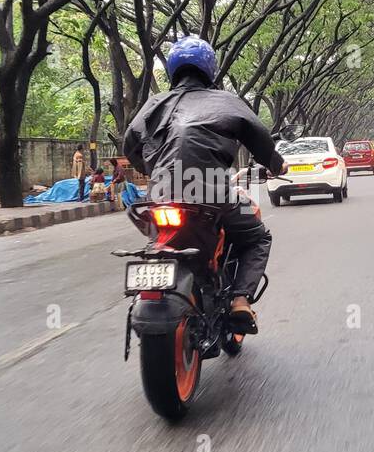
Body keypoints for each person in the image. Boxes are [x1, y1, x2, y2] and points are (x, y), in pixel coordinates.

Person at [122, 35, 286, 334]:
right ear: (210, 69)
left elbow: (130, 145)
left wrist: (154, 170)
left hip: (159, 197)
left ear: (172, 70)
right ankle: (239, 301)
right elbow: (261, 142)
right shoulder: (227, 101)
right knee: (257, 237)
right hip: (212, 194)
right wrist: (277, 165)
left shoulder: (153, 104)